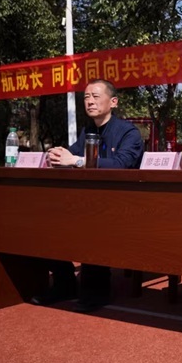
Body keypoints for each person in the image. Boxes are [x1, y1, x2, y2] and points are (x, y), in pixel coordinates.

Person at [31, 79, 144, 312]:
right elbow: (70, 155)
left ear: (113, 102)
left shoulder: (128, 132)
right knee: (44, 222)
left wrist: (76, 160)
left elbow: (121, 164)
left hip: (121, 204)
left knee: (91, 223)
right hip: (88, 201)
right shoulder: (88, 131)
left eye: (95, 96)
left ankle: (96, 292)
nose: (90, 101)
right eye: (86, 97)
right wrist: (58, 154)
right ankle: (64, 283)